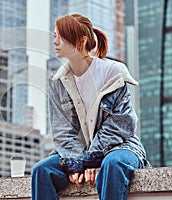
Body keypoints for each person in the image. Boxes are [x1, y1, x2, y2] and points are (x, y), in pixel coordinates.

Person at [31, 14, 150, 200]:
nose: (54, 42)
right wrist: (75, 163)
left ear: (81, 41)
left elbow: (122, 123)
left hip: (121, 147)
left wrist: (92, 160)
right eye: (54, 36)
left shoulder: (112, 72)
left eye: (60, 37)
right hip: (79, 154)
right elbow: (64, 131)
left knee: (112, 164)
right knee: (41, 171)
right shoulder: (58, 82)